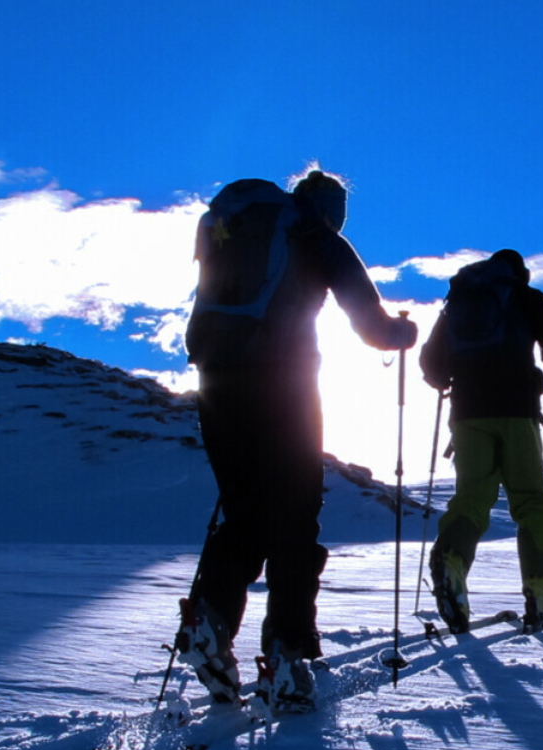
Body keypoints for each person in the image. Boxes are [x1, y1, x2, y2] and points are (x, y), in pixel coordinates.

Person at [177, 168, 418, 711]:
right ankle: (289, 657)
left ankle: (209, 624)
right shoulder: (318, 237)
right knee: (293, 518)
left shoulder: (247, 230)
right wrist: (405, 333)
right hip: (285, 386)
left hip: (217, 381)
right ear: (331, 210)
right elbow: (373, 326)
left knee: (244, 515)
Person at [418, 248, 543, 634]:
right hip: (517, 411)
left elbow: (430, 364)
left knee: (472, 499)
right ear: (520, 274)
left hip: (467, 415)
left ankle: (453, 561)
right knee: (531, 502)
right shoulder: (529, 298)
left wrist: (448, 379)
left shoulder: (458, 302)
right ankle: (540, 591)